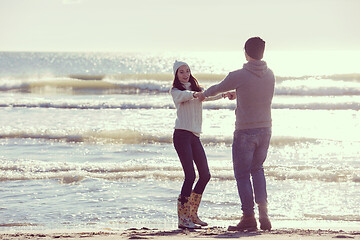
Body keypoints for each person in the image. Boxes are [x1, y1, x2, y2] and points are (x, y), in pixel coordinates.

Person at [197, 37, 275, 231]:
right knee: (257, 169)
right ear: (262, 53)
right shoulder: (270, 74)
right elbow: (258, 93)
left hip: (245, 131)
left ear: (246, 53)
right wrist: (238, 94)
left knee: (241, 175)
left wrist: (202, 94)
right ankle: (264, 216)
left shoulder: (239, 74)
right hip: (266, 129)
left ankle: (248, 217)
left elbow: (218, 88)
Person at [170, 60, 224, 229]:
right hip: (181, 135)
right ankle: (183, 219)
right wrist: (195, 94)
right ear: (176, 75)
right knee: (190, 176)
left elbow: (207, 95)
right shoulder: (176, 91)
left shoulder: (197, 89)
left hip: (194, 136)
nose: (185, 74)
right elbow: (184, 97)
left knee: (205, 175)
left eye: (187, 71)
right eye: (181, 72)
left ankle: (192, 215)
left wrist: (224, 94)